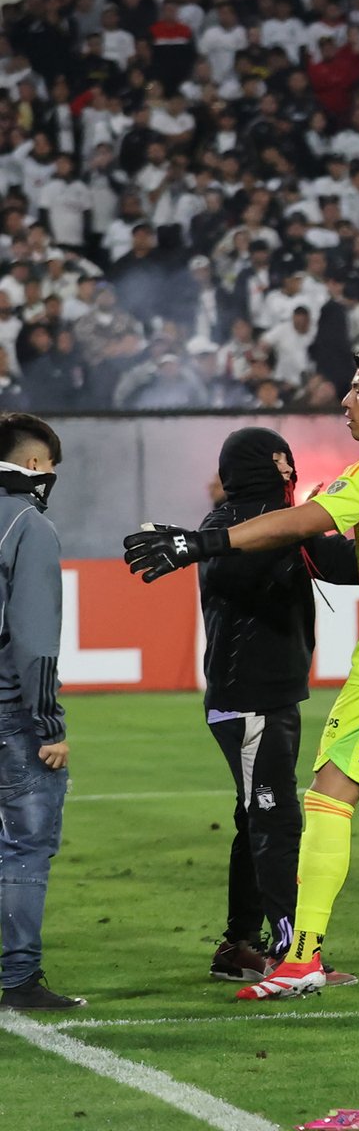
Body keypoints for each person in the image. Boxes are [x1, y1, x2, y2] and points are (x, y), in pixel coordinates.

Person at [124, 350, 359, 1000]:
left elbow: (306, 520)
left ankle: (301, 957)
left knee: (328, 797)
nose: (346, 402)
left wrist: (201, 542)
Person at [196, 429, 359, 986]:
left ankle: (239, 946)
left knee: (256, 818)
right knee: (277, 821)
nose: (288, 469)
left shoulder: (278, 525)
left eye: (288, 460)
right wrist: (304, 525)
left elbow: (346, 565)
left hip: (265, 698)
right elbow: (234, 570)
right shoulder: (227, 527)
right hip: (250, 701)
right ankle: (292, 951)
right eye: (278, 460)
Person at [0, 414, 83, 1010]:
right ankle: (19, 977)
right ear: (34, 464)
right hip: (9, 713)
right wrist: (49, 725)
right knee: (25, 845)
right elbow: (34, 640)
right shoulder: (28, 523)